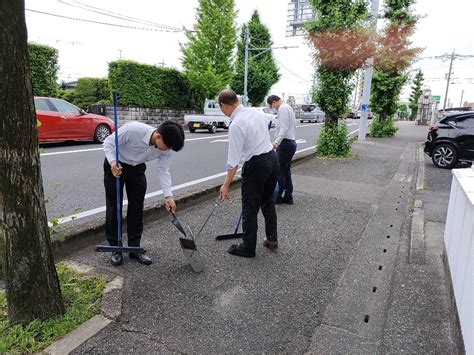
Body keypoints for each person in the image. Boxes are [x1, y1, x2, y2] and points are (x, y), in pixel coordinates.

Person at [103, 120, 185, 266]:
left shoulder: (167, 149)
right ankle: (116, 248)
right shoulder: (133, 130)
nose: (167, 150)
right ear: (158, 136)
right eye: (167, 146)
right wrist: (112, 162)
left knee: (137, 208)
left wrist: (168, 196)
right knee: (114, 207)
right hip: (116, 165)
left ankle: (135, 248)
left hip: (137, 169)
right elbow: (109, 143)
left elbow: (163, 171)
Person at [218, 89, 279, 257]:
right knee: (267, 202)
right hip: (272, 160)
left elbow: (233, 162)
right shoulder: (255, 112)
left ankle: (248, 247)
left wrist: (226, 185)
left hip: (257, 165)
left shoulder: (236, 124)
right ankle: (272, 238)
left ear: (223, 105)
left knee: (249, 209)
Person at [267, 95, 297, 205]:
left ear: (274, 102)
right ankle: (288, 196)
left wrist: (276, 142)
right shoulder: (288, 107)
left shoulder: (283, 109)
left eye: (272, 106)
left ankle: (278, 197)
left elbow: (283, 128)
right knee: (286, 171)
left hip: (285, 143)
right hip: (290, 142)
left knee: (280, 172)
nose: (273, 108)